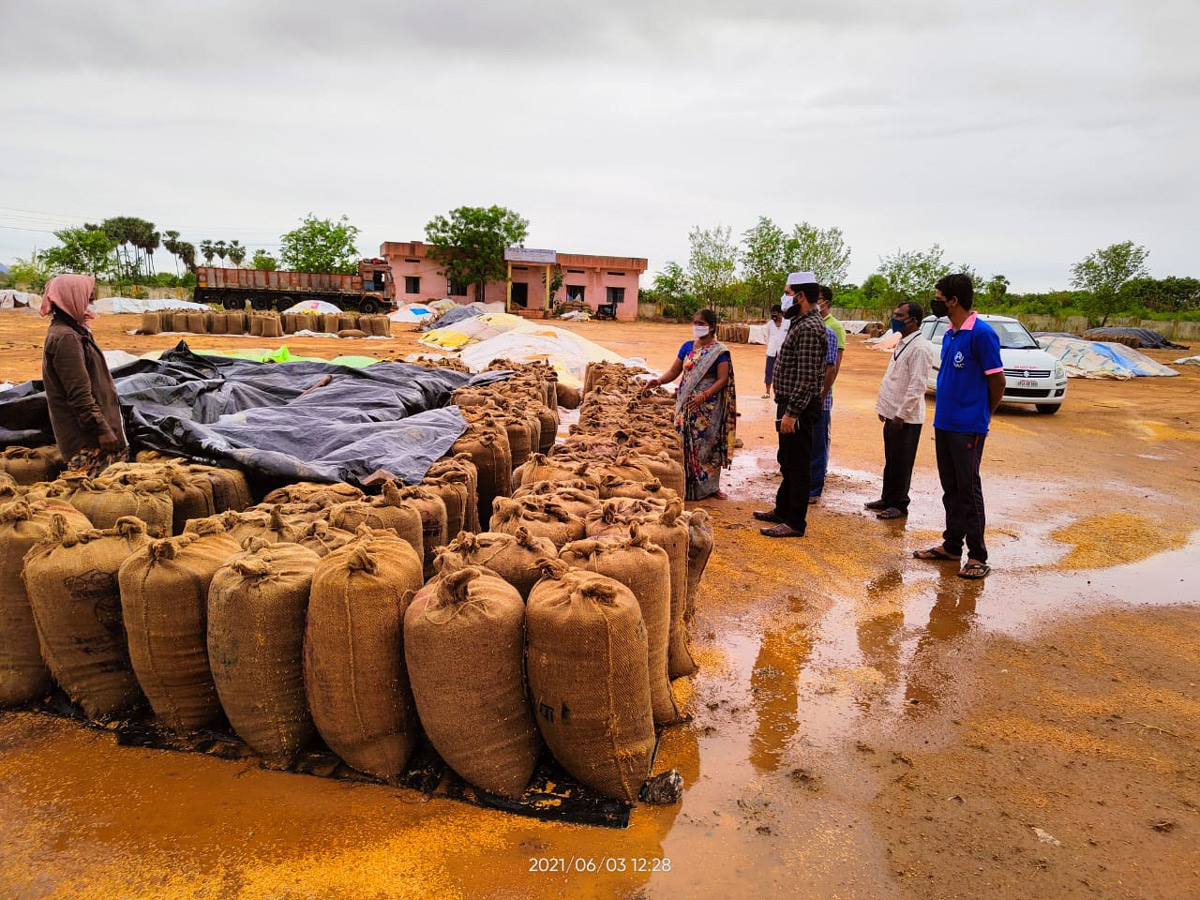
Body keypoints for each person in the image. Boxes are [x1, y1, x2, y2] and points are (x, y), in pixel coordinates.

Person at [913, 274, 1004, 579]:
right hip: (945, 423)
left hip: (968, 427)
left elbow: (997, 381)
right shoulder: (951, 332)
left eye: (938, 297)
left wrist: (982, 415)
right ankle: (952, 546)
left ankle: (977, 555)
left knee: (968, 490)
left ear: (953, 300)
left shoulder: (981, 334)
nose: (935, 301)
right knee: (951, 488)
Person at [754, 272, 827, 538]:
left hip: (798, 407)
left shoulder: (808, 328)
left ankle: (795, 522)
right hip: (789, 403)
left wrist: (791, 413)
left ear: (800, 297)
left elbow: (807, 378)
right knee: (787, 460)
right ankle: (783, 510)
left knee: (798, 464)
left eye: (787, 293)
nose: (783, 299)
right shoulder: (799, 323)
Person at [40, 274, 127, 476]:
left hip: (95, 436)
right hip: (89, 442)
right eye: (89, 299)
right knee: (100, 497)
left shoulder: (75, 331)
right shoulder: (66, 338)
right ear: (72, 299)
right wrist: (102, 430)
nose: (92, 304)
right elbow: (79, 394)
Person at [644, 308, 736, 500]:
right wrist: (658, 381)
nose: (696, 326)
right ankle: (685, 484)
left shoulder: (719, 351)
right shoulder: (687, 347)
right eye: (695, 322)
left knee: (708, 445)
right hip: (686, 404)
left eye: (701, 323)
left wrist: (704, 395)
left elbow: (722, 379)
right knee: (682, 442)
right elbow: (674, 371)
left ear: (711, 327)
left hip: (708, 407)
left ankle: (710, 487)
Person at [866, 300, 933, 519]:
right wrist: (884, 408)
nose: (895, 319)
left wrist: (901, 415)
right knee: (891, 459)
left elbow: (917, 386)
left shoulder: (921, 348)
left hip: (906, 419)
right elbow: (894, 379)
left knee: (902, 462)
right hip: (891, 414)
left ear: (913, 320)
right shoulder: (903, 342)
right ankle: (888, 498)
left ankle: (899, 504)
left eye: (900, 316)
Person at [810, 284, 846, 502]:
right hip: (809, 396)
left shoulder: (833, 329)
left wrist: (822, 395)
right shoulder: (809, 325)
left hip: (821, 396)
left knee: (819, 441)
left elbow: (834, 365)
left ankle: (815, 486)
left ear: (826, 302)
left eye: (819, 299)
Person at [762, 302, 788, 399]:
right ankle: (767, 392)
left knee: (783, 372)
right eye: (772, 313)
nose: (774, 315)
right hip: (772, 351)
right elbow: (768, 336)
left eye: (775, 313)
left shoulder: (787, 323)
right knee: (769, 371)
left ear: (781, 313)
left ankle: (781, 392)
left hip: (783, 352)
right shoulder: (769, 325)